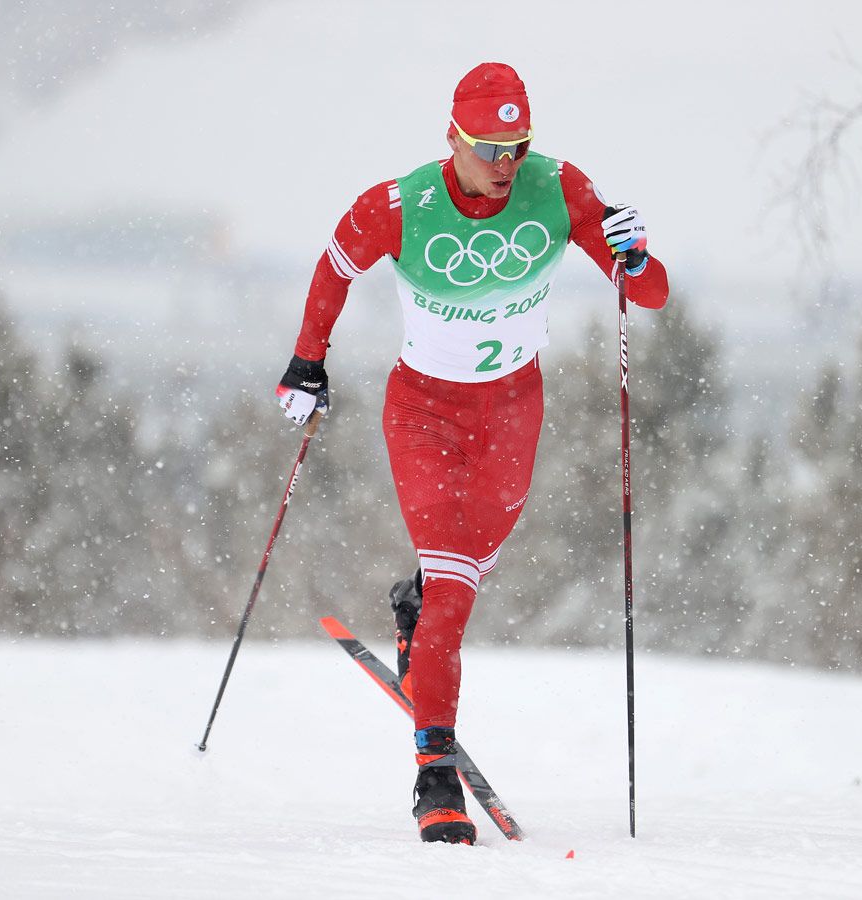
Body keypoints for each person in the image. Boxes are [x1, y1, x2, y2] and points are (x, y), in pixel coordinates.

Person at [275, 62, 669, 844]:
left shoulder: (558, 188)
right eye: (490, 146)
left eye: (518, 146)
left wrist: (634, 255)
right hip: (424, 411)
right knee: (456, 598)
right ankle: (434, 777)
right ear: (453, 137)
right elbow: (334, 267)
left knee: (462, 580)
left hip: (515, 410)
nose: (506, 164)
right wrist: (307, 360)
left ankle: (419, 611)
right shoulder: (399, 204)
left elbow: (651, 294)